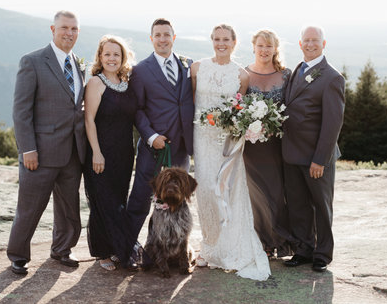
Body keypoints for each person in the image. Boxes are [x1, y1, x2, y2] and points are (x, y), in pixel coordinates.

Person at [9, 10, 88, 274]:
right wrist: (27, 149)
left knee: (68, 209)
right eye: (64, 28)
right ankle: (18, 255)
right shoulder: (32, 61)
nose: (69, 33)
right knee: (29, 208)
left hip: (73, 153)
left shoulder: (79, 64)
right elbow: (21, 111)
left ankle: (61, 249)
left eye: (74, 29)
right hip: (40, 153)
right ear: (52, 30)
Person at [191, 24, 271, 281]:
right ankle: (209, 245)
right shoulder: (197, 68)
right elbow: (193, 100)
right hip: (202, 139)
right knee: (204, 190)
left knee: (226, 191)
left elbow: (238, 109)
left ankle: (228, 246)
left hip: (227, 143)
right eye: (216, 39)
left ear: (234, 43)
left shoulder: (241, 75)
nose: (221, 43)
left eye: (226, 39)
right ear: (212, 41)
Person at [128, 18, 196, 267]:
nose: (163, 39)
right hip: (153, 148)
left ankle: (164, 251)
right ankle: (126, 250)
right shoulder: (141, 70)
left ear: (174, 37)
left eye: (167, 34)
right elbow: (137, 109)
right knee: (140, 200)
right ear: (151, 38)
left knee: (175, 202)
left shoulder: (187, 65)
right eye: (158, 35)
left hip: (180, 150)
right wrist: (151, 136)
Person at [281, 25, 346, 273]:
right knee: (297, 205)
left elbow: (333, 124)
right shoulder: (297, 70)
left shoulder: (332, 78)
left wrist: (320, 159)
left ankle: (323, 254)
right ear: (300, 44)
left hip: (317, 156)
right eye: (306, 41)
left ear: (323, 43)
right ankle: (304, 249)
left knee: (321, 205)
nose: (310, 44)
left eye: (314, 41)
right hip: (292, 153)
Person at [82, 35, 140, 271]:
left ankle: (117, 248)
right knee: (102, 203)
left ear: (123, 57)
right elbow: (89, 119)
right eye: (107, 54)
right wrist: (96, 152)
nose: (112, 58)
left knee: (118, 202)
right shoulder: (96, 83)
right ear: (100, 57)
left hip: (124, 154)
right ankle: (103, 253)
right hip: (101, 153)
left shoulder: (128, 82)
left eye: (116, 54)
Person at [243, 29, 295, 259]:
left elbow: (293, 107)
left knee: (276, 192)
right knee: (255, 194)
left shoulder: (286, 75)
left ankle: (281, 241)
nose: (264, 50)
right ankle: (261, 241)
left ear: (275, 49)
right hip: (251, 146)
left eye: (269, 46)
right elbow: (237, 106)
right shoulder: (243, 73)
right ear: (253, 47)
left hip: (277, 145)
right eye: (260, 46)